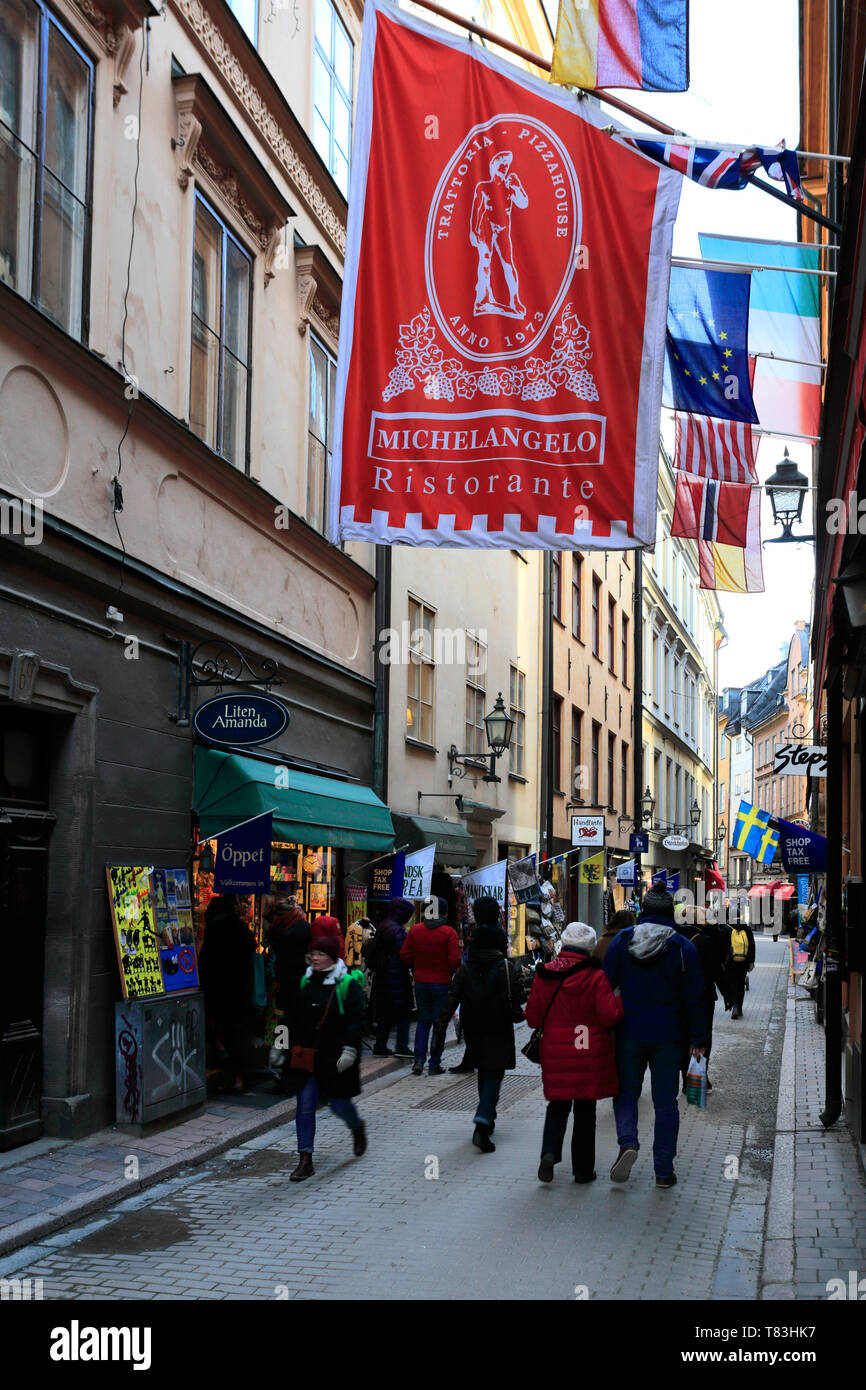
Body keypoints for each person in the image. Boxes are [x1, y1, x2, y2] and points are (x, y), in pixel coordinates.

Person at [603, 886, 707, 1189]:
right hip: (669, 1036)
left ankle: (627, 1143)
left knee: (626, 1093)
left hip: (629, 1032)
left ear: (643, 910)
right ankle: (663, 1170)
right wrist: (698, 1039)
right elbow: (695, 997)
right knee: (665, 1103)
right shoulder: (683, 947)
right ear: (670, 912)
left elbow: (605, 986)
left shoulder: (622, 941)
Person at [525, 922, 623, 1184]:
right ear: (589, 947)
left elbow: (533, 1018)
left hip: (555, 1053)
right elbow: (609, 1015)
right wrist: (620, 1000)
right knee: (585, 1112)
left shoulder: (544, 974)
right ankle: (582, 1170)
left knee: (557, 1105)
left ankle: (549, 1153)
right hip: (588, 1051)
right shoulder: (596, 976)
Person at [430, 920, 525, 1153]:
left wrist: (440, 1026)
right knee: (494, 1072)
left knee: (484, 1070)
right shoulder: (505, 966)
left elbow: (452, 998)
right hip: (499, 1026)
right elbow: (520, 995)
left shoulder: (466, 968)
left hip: (472, 1027)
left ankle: (488, 1118)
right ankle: (483, 1120)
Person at [283, 933, 367, 1182]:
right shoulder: (305, 982)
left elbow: (356, 1022)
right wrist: (279, 1046)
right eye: (314, 954)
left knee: (339, 1105)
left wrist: (350, 1051)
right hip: (308, 1056)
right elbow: (291, 1018)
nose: (315, 958)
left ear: (332, 957)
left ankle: (356, 1127)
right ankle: (305, 1159)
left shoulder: (346, 984)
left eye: (321, 954)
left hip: (336, 1057)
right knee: (305, 1105)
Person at [199, 895, 255, 1093]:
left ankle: (232, 1076)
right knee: (237, 1035)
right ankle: (239, 1077)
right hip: (240, 992)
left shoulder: (215, 932)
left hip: (220, 992)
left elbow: (206, 963)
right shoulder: (243, 931)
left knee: (223, 1034)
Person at [400, 895, 462, 1075]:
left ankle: (418, 1061)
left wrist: (417, 965)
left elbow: (405, 955)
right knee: (439, 1024)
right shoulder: (449, 932)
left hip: (421, 982)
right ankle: (434, 1064)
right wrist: (449, 971)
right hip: (442, 983)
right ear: (443, 913)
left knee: (423, 1022)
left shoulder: (415, 930)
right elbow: (455, 960)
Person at [449, 896, 503, 1074]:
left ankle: (472, 1060)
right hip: (494, 986)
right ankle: (474, 1060)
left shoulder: (481, 932)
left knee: (472, 1025)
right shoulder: (498, 931)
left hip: (476, 982)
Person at [677, 904, 728, 1091]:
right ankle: (698, 1078)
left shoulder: (674, 939)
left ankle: (686, 1078)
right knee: (703, 1037)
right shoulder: (706, 941)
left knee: (684, 1036)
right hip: (703, 996)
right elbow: (717, 970)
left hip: (679, 997)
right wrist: (727, 994)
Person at [368, 897, 415, 1058]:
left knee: (385, 1013)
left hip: (383, 975)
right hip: (397, 976)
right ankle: (401, 1046)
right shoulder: (398, 930)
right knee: (404, 1011)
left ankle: (380, 1044)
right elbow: (405, 954)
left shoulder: (384, 925)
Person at [724, 911, 756, 1019]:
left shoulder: (726, 928)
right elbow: (751, 945)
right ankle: (740, 1007)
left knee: (732, 983)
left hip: (730, 961)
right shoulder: (746, 928)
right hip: (744, 960)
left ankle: (735, 1006)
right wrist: (751, 961)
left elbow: (723, 946)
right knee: (741, 984)